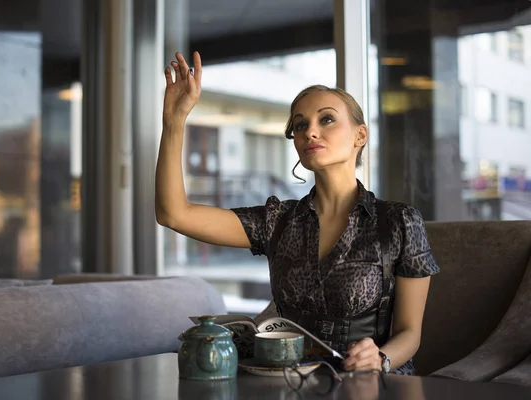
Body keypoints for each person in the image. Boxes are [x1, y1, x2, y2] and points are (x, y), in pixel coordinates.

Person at [155, 51, 440, 375]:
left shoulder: (399, 222)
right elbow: (174, 214)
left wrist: (381, 358)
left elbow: (410, 333)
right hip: (287, 382)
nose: (310, 132)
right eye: (300, 125)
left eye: (327, 119)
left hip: (369, 384)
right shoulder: (277, 221)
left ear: (360, 135)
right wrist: (174, 121)